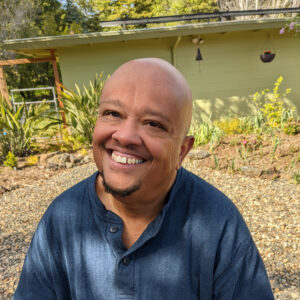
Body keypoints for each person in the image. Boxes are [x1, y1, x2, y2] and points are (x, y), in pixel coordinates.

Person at [13, 58, 274, 299]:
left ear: (182, 151)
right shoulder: (61, 220)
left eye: (153, 124)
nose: (125, 136)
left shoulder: (218, 223)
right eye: (113, 114)